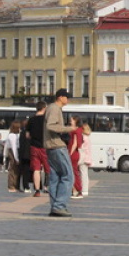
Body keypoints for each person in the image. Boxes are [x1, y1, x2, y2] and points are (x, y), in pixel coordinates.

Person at [44, 89, 78, 217]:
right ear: (60, 97)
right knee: (68, 176)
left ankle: (55, 206)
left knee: (55, 177)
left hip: (50, 146)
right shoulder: (54, 108)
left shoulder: (51, 108)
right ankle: (59, 206)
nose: (67, 100)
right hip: (57, 145)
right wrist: (68, 129)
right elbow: (51, 126)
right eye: (66, 97)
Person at [27, 101, 49, 195]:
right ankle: (47, 187)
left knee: (36, 169)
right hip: (45, 146)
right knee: (48, 168)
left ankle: (37, 190)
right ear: (44, 108)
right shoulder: (46, 119)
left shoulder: (31, 120)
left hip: (34, 146)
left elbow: (27, 135)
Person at [68, 116, 85, 198]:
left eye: (72, 120)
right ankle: (75, 190)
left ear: (76, 121)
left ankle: (78, 190)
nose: (70, 122)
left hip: (73, 153)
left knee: (74, 172)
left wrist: (70, 154)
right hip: (75, 153)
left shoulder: (76, 131)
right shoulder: (79, 130)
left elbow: (75, 143)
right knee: (73, 172)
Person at [78, 122, 93, 196]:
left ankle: (82, 189)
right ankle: (85, 190)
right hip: (87, 158)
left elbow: (80, 147)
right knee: (85, 174)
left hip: (82, 157)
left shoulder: (83, 137)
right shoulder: (88, 137)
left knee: (82, 174)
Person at [6, 122, 22, 192]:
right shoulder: (12, 136)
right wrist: (16, 158)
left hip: (15, 151)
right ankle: (11, 186)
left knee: (16, 170)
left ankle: (16, 185)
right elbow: (13, 147)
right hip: (13, 152)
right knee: (12, 170)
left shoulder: (15, 135)